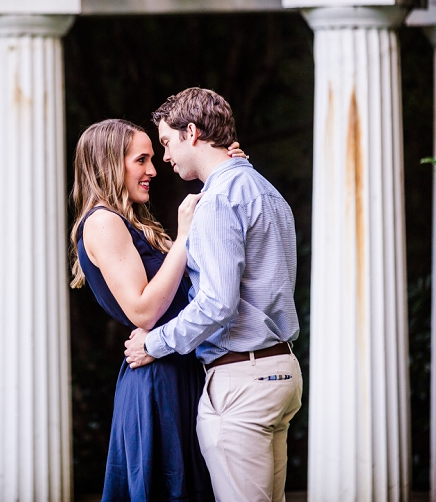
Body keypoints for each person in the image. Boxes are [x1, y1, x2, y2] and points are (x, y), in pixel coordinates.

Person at [123, 88, 301, 502]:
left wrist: (155, 342)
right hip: (280, 372)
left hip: (241, 382)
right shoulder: (264, 188)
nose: (165, 158)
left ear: (192, 132)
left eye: (167, 143)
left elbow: (218, 303)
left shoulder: (219, 200)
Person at [70, 118, 246, 502]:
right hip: (157, 380)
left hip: (175, 366)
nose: (152, 170)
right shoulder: (102, 222)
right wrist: (183, 236)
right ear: (109, 163)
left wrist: (229, 172)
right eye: (141, 160)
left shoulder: (131, 222)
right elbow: (144, 310)